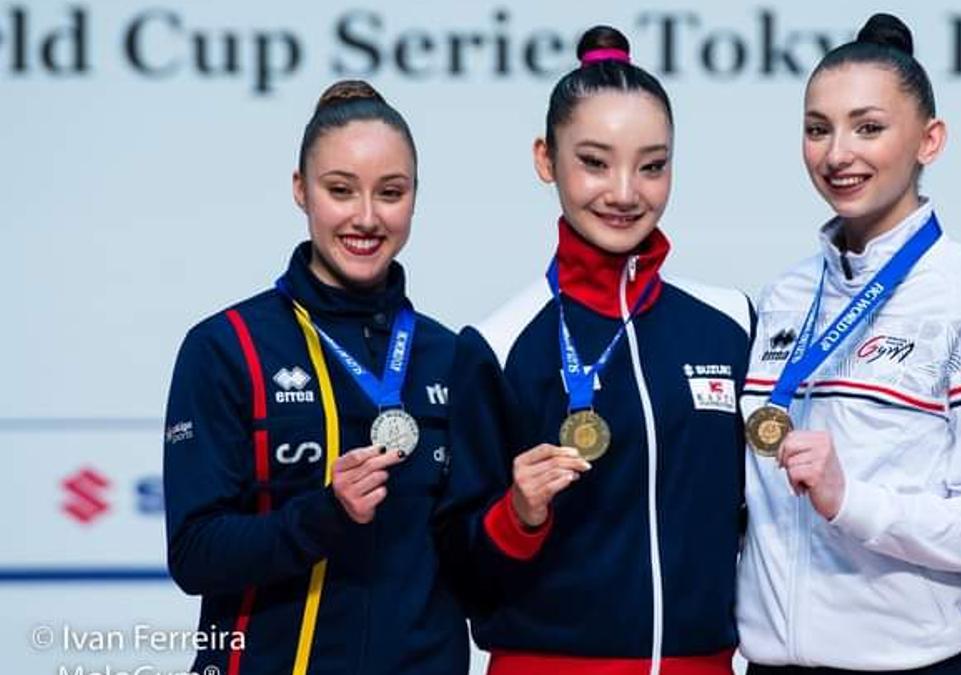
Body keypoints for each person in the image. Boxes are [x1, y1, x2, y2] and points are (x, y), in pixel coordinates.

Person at [442, 25, 753, 675]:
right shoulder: (498, 345)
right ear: (544, 159)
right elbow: (461, 576)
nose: (624, 192)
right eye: (594, 161)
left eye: (652, 164)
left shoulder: (728, 325)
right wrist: (517, 515)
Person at [737, 13, 961, 674]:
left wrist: (851, 500)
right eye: (818, 129)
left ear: (930, 139)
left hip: (922, 664)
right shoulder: (784, 295)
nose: (837, 153)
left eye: (868, 127)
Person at [163, 80, 466, 675]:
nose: (367, 217)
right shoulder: (227, 347)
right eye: (340, 190)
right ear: (301, 191)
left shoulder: (449, 356)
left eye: (391, 192)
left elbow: (470, 556)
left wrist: (527, 512)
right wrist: (325, 513)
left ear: (414, 198)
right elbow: (195, 555)